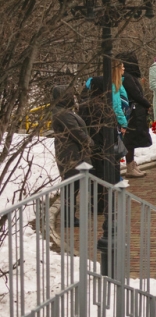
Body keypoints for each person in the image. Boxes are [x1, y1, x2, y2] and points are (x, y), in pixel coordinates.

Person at [50, 85, 92, 250]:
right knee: (70, 183)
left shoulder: (64, 111)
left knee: (73, 185)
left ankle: (70, 214)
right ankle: (68, 216)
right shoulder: (62, 114)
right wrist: (88, 141)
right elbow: (75, 131)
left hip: (72, 152)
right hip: (69, 154)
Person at [77, 77, 117, 186]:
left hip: (88, 148)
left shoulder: (83, 107)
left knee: (92, 181)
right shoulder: (106, 108)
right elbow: (113, 131)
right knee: (103, 182)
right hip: (104, 149)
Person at [119, 53, 151, 180]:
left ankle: (132, 164)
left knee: (132, 139)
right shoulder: (127, 78)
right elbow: (136, 94)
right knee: (130, 140)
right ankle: (130, 166)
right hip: (133, 111)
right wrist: (147, 104)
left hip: (135, 110)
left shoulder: (129, 77)